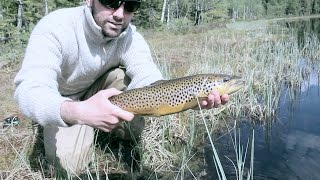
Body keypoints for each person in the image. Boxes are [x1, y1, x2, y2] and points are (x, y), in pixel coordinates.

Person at [14, 0, 229, 175]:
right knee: (71, 167)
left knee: (123, 81)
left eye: (130, 6)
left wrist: (188, 100)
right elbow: (29, 89)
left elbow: (148, 77)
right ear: (89, 1)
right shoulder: (56, 27)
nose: (119, 14)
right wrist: (74, 111)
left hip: (99, 89)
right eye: (110, 2)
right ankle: (59, 121)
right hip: (63, 100)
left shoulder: (130, 36)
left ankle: (107, 128)